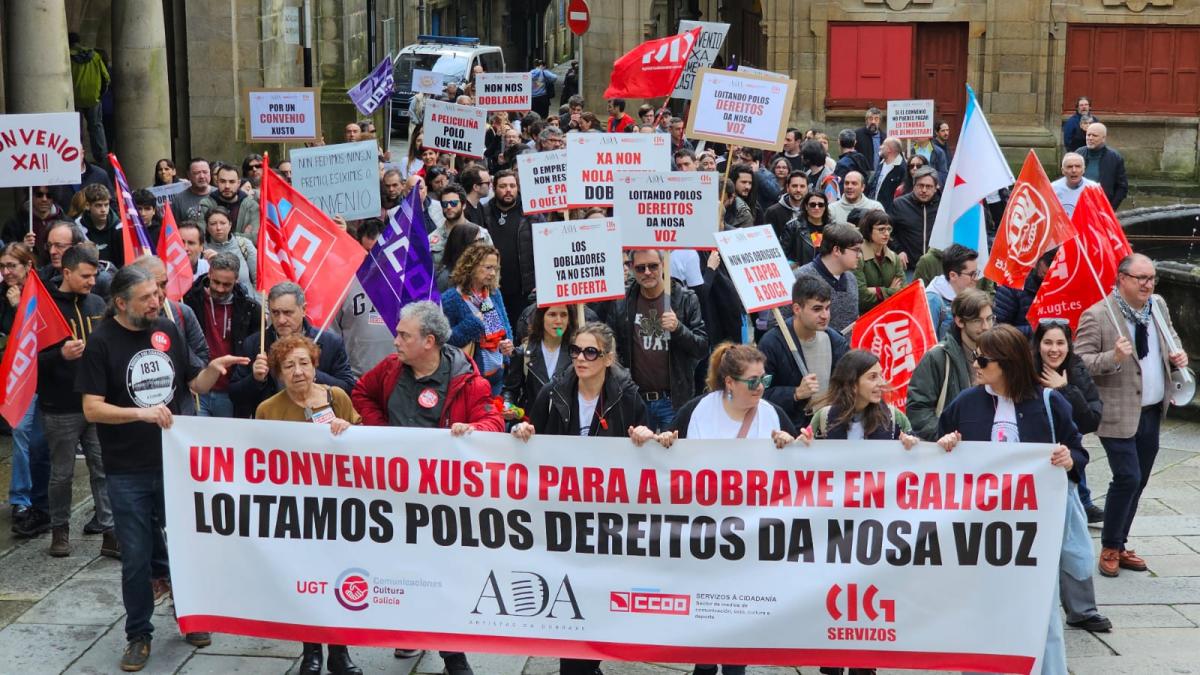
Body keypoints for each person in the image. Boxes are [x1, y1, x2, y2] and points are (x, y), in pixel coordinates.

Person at [76, 265, 249, 671]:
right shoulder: (101, 342)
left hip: (173, 460)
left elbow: (194, 384)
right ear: (121, 304)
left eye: (158, 293)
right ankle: (138, 634)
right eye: (148, 298)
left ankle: (192, 617)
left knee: (187, 546)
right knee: (135, 556)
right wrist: (141, 414)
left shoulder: (167, 330)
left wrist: (213, 368)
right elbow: (92, 407)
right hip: (126, 468)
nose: (158, 302)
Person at [352, 301, 501, 674]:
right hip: (396, 495)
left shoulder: (468, 380)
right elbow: (361, 395)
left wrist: (473, 432)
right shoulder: (390, 370)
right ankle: (412, 632)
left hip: (443, 501)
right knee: (404, 569)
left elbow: (493, 421)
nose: (395, 341)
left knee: (440, 575)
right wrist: (381, 433)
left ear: (429, 342)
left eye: (404, 335)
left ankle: (453, 656)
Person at [936, 324, 1088, 674]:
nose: (975, 363)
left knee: (1041, 613)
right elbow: (938, 444)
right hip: (980, 532)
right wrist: (944, 445)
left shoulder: (1049, 402)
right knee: (980, 608)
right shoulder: (966, 402)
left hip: (1034, 534)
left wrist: (1069, 460)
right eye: (975, 356)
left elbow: (1078, 451)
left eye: (983, 359)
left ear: (1006, 363)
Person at [659, 342, 797, 675]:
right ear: (729, 383)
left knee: (739, 636)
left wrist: (792, 447)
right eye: (753, 381)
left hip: (749, 541)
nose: (761, 388)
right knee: (705, 627)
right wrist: (659, 439)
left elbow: (801, 468)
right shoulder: (697, 411)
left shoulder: (773, 415)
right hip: (703, 540)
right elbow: (664, 453)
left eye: (764, 379)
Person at [253, 335, 363, 675]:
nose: (298, 372)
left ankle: (340, 652)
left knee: (338, 579)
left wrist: (348, 431)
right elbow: (260, 463)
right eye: (289, 366)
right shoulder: (268, 410)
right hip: (297, 511)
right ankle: (311, 650)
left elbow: (365, 448)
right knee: (306, 582)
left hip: (339, 508)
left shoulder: (338, 398)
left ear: (316, 366)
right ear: (279, 373)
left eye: (304, 363)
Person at [1075, 253, 1187, 577]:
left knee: (1139, 481)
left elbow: (1171, 338)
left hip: (1152, 409)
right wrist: (1113, 356)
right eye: (1141, 278)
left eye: (1151, 278)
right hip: (1116, 413)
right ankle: (1110, 546)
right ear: (1121, 278)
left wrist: (1176, 355)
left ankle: (1121, 543)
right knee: (1127, 477)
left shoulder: (1158, 306)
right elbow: (1080, 363)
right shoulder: (1098, 315)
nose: (1148, 284)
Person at [607, 250, 709, 431]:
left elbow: (701, 348)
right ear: (631, 269)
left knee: (674, 456)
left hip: (673, 400)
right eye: (640, 268)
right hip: (635, 399)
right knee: (639, 457)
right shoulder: (622, 302)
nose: (647, 272)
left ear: (663, 265)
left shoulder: (685, 298)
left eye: (653, 266)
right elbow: (613, 347)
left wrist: (678, 328)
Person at [228, 282, 356, 419]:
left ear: (304, 310)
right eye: (275, 313)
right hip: (273, 426)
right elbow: (235, 396)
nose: (281, 320)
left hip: (320, 426)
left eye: (288, 313)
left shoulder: (330, 342)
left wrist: (308, 371)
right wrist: (255, 379)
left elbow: (348, 388)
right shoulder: (255, 344)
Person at [1, 244, 51, 536]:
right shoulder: (3, 293)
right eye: (3, 266)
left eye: (12, 266)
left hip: (41, 374)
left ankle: (38, 497)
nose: (7, 272)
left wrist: (20, 305)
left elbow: (38, 330)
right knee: (20, 431)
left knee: (39, 439)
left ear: (27, 266)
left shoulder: (38, 292)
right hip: (16, 376)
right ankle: (20, 497)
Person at [762, 276, 849, 428]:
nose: (825, 315)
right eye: (817, 309)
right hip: (791, 432)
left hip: (830, 429)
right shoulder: (772, 343)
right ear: (797, 309)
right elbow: (758, 394)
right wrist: (795, 394)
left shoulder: (836, 340)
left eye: (827, 308)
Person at [906, 288, 993, 440]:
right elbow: (918, 409)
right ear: (959, 321)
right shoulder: (937, 357)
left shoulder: (1000, 356)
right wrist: (943, 436)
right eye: (977, 320)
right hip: (951, 453)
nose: (986, 326)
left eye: (990, 318)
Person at [183, 252, 260, 417]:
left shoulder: (250, 309)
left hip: (231, 393)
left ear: (236, 280)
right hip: (196, 388)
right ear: (209, 273)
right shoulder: (188, 300)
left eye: (226, 285)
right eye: (216, 282)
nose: (219, 288)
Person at [441, 243, 515, 395]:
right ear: (472, 266)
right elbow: (445, 340)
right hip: (470, 380)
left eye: (496, 268)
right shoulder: (451, 299)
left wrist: (508, 345)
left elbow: (505, 327)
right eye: (488, 268)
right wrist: (473, 323)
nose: (493, 273)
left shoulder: (493, 293)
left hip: (497, 376)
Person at [803, 349, 919, 445]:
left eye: (881, 375)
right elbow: (806, 462)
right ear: (852, 383)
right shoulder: (823, 417)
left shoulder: (895, 417)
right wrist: (802, 444)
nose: (882, 383)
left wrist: (911, 445)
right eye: (873, 377)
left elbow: (916, 461)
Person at [331, 219, 398, 379]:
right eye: (367, 251)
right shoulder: (343, 282)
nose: (373, 258)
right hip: (357, 378)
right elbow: (333, 335)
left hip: (399, 376)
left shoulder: (405, 283)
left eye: (378, 251)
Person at [481, 170, 535, 329]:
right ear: (494, 188)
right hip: (490, 289)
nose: (508, 190)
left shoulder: (530, 213)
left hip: (523, 290)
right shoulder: (483, 212)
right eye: (503, 186)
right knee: (493, 332)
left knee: (521, 331)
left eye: (512, 186)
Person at [503, 304, 579, 417]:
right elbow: (510, 391)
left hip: (564, 429)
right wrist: (508, 406)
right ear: (541, 317)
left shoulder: (578, 353)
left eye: (563, 315)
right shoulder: (523, 353)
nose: (558, 321)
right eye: (552, 314)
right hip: (531, 426)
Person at [796, 223, 863, 334]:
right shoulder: (800, 278)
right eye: (856, 250)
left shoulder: (851, 279)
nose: (859, 255)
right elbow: (780, 323)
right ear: (836, 250)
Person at [890, 167, 941, 273]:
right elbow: (890, 232)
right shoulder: (900, 204)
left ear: (936, 188)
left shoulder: (943, 206)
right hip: (908, 267)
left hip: (937, 268)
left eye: (929, 186)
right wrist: (899, 251)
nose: (924, 190)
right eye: (920, 185)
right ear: (914, 186)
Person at [69, 32, 110, 162]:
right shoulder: (95, 56)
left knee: (75, 129)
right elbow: (106, 77)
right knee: (96, 127)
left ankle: (77, 157)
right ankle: (102, 158)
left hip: (75, 99)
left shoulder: (68, 56)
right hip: (93, 98)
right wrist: (99, 94)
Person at [853, 211, 904, 312]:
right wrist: (891, 291)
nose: (886, 233)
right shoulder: (857, 256)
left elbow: (903, 292)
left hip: (889, 314)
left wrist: (876, 291)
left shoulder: (894, 258)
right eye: (881, 229)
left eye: (889, 229)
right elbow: (861, 297)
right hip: (864, 316)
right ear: (868, 230)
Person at [926, 244, 980, 339]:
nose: (976, 279)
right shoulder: (933, 301)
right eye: (972, 274)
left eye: (977, 273)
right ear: (953, 275)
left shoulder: (967, 295)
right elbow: (927, 344)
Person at [201, 206, 256, 295]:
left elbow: (259, 279)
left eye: (223, 223)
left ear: (230, 225)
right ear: (207, 227)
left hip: (246, 303)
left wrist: (259, 305)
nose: (218, 228)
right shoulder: (201, 248)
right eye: (213, 224)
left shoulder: (244, 244)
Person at [1075, 122, 1127, 209]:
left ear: (1103, 138)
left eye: (1094, 135)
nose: (1090, 138)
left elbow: (1122, 187)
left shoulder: (1114, 158)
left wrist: (1111, 208)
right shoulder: (1078, 154)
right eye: (1088, 135)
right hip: (1079, 206)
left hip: (1102, 207)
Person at [764, 171, 810, 264]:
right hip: (782, 261)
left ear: (807, 189)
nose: (798, 189)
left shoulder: (814, 210)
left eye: (802, 186)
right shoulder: (773, 212)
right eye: (794, 186)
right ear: (787, 188)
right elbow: (768, 241)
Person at [75, 183, 123, 268]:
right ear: (87, 206)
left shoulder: (119, 227)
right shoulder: (78, 226)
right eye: (98, 205)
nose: (103, 210)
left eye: (106, 205)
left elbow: (122, 261)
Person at [1051, 152, 1097, 218]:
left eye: (1078, 166)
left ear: (1083, 170)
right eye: (1069, 167)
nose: (1074, 170)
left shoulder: (1093, 188)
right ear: (1063, 170)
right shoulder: (1052, 189)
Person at [170, 158, 216, 223]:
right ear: (189, 175)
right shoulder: (179, 199)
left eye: (205, 172)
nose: (202, 176)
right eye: (196, 173)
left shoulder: (219, 194)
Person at [868, 137, 905, 214]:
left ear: (889, 149)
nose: (880, 147)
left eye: (883, 145)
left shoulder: (902, 169)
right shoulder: (881, 164)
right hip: (873, 210)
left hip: (889, 214)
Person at [854, 107, 885, 174]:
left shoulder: (884, 138)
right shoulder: (857, 135)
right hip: (862, 174)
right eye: (870, 119)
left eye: (876, 119)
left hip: (880, 174)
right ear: (866, 120)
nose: (873, 122)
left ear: (880, 121)